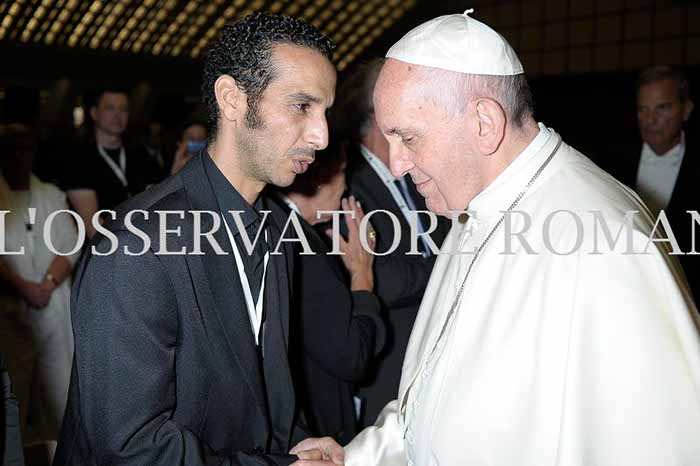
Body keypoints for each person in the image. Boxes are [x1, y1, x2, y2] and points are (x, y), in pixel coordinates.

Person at [292, 11, 700, 465]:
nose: (400, 164)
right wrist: (357, 458)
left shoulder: (606, 243)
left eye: (408, 137)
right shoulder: (475, 209)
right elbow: (434, 398)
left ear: (485, 123)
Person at [54, 12, 342, 466]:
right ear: (231, 99)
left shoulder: (276, 228)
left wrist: (295, 444)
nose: (321, 135)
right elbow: (128, 448)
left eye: (325, 111)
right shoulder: (136, 244)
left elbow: (263, 387)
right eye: (301, 106)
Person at [336, 60, 450, 426]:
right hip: (386, 369)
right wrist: (449, 264)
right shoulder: (347, 182)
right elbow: (378, 277)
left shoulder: (413, 175)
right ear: (381, 117)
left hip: (432, 358)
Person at [273, 140, 385, 445]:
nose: (347, 185)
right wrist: (363, 273)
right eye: (344, 171)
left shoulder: (273, 221)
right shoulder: (302, 247)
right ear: (319, 175)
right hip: (315, 436)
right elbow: (353, 356)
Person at [0, 123, 79, 460]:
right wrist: (24, 288)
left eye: (26, 146)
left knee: (60, 404)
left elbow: (69, 243)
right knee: (12, 407)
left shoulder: (50, 194)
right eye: (13, 146)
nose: (20, 153)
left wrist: (45, 285)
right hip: (10, 316)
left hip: (53, 313)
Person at [597, 66, 698, 300]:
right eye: (643, 109)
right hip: (624, 288)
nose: (650, 119)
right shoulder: (612, 160)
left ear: (686, 109)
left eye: (662, 108)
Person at [58, 88, 159, 238]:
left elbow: (159, 207)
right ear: (94, 113)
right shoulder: (78, 159)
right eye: (110, 108)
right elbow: (93, 226)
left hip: (145, 243)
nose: (117, 115)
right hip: (105, 250)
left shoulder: (142, 157)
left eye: (123, 109)